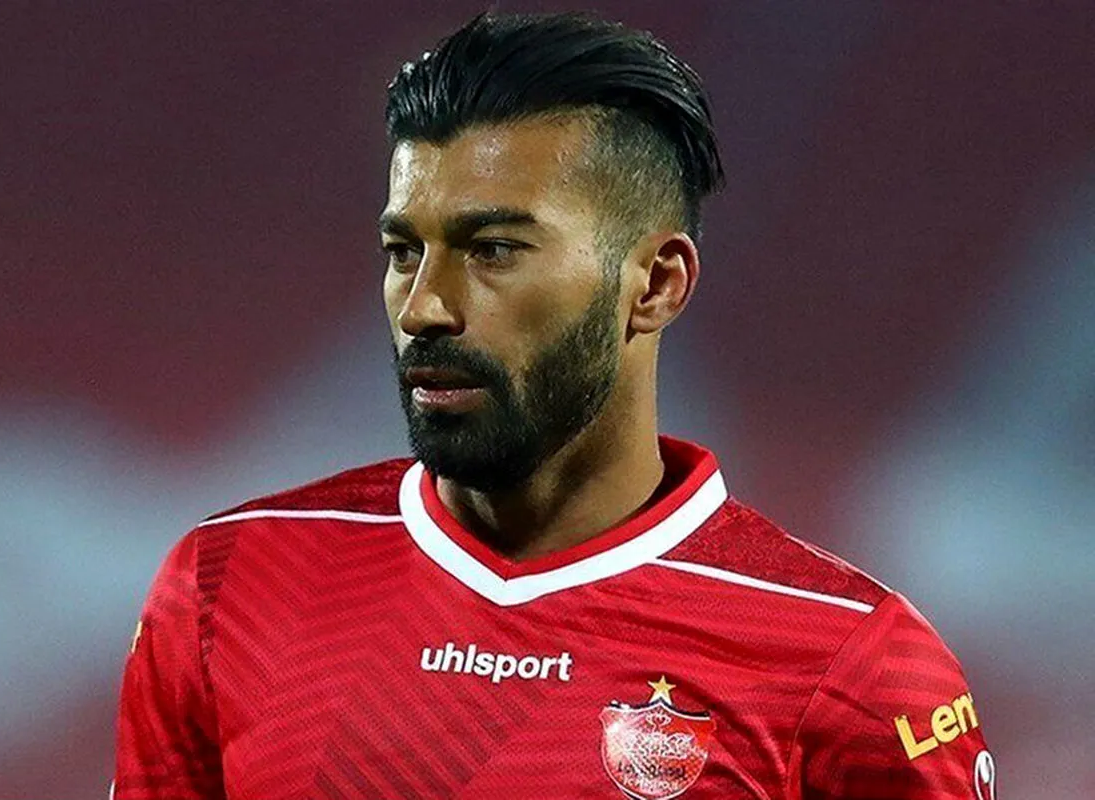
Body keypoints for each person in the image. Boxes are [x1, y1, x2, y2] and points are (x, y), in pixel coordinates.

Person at [112, 12, 994, 800]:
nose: (424, 307)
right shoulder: (230, 584)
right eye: (403, 250)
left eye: (492, 249)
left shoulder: (852, 662)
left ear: (655, 284)